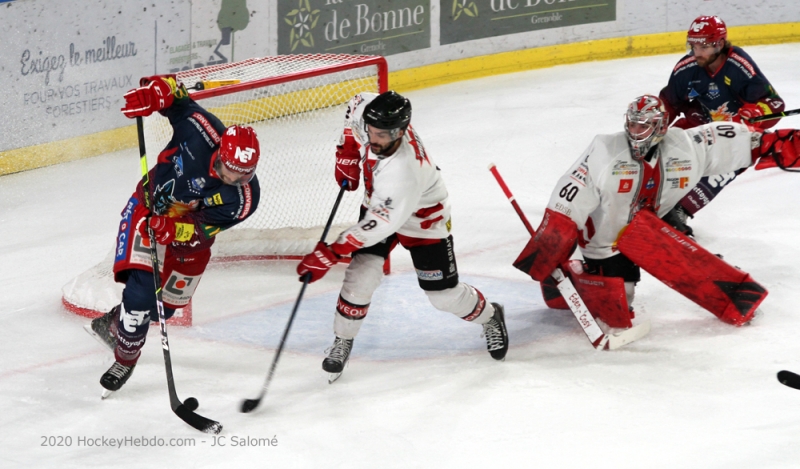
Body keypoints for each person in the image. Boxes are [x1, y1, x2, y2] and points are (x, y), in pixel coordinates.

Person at [513, 95, 800, 327]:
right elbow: (568, 197)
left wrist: (777, 143)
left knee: (688, 253)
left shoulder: (684, 146)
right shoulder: (604, 151)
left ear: (661, 127)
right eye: (632, 125)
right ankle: (570, 279)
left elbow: (735, 140)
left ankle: (721, 287)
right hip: (606, 238)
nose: (635, 133)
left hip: (655, 222)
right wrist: (550, 247)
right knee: (618, 309)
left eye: (644, 126)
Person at [296, 91, 509, 378]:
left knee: (443, 297)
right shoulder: (368, 111)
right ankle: (343, 338)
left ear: (400, 131)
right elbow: (355, 104)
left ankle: (491, 316)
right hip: (380, 205)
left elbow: (379, 223)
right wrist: (347, 151)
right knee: (362, 275)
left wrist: (331, 252)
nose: (374, 139)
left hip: (422, 220)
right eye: (371, 131)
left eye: (383, 135)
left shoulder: (404, 169)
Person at [87, 75, 262, 393]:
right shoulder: (201, 129)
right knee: (140, 294)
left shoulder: (243, 200)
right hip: (149, 210)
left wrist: (173, 228)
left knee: (166, 308)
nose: (234, 180)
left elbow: (203, 229)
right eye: (229, 171)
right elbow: (176, 94)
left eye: (243, 175)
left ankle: (114, 322)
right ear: (220, 153)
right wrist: (157, 92)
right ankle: (126, 358)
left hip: (187, 238)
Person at [658, 15, 785, 236]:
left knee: (729, 163)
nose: (697, 52)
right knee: (667, 149)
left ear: (719, 44)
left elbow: (774, 103)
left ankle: (680, 210)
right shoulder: (687, 68)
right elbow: (669, 102)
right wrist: (655, 128)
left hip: (736, 133)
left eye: (703, 46)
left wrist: (755, 112)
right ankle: (649, 196)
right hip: (700, 123)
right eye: (693, 45)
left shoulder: (739, 66)